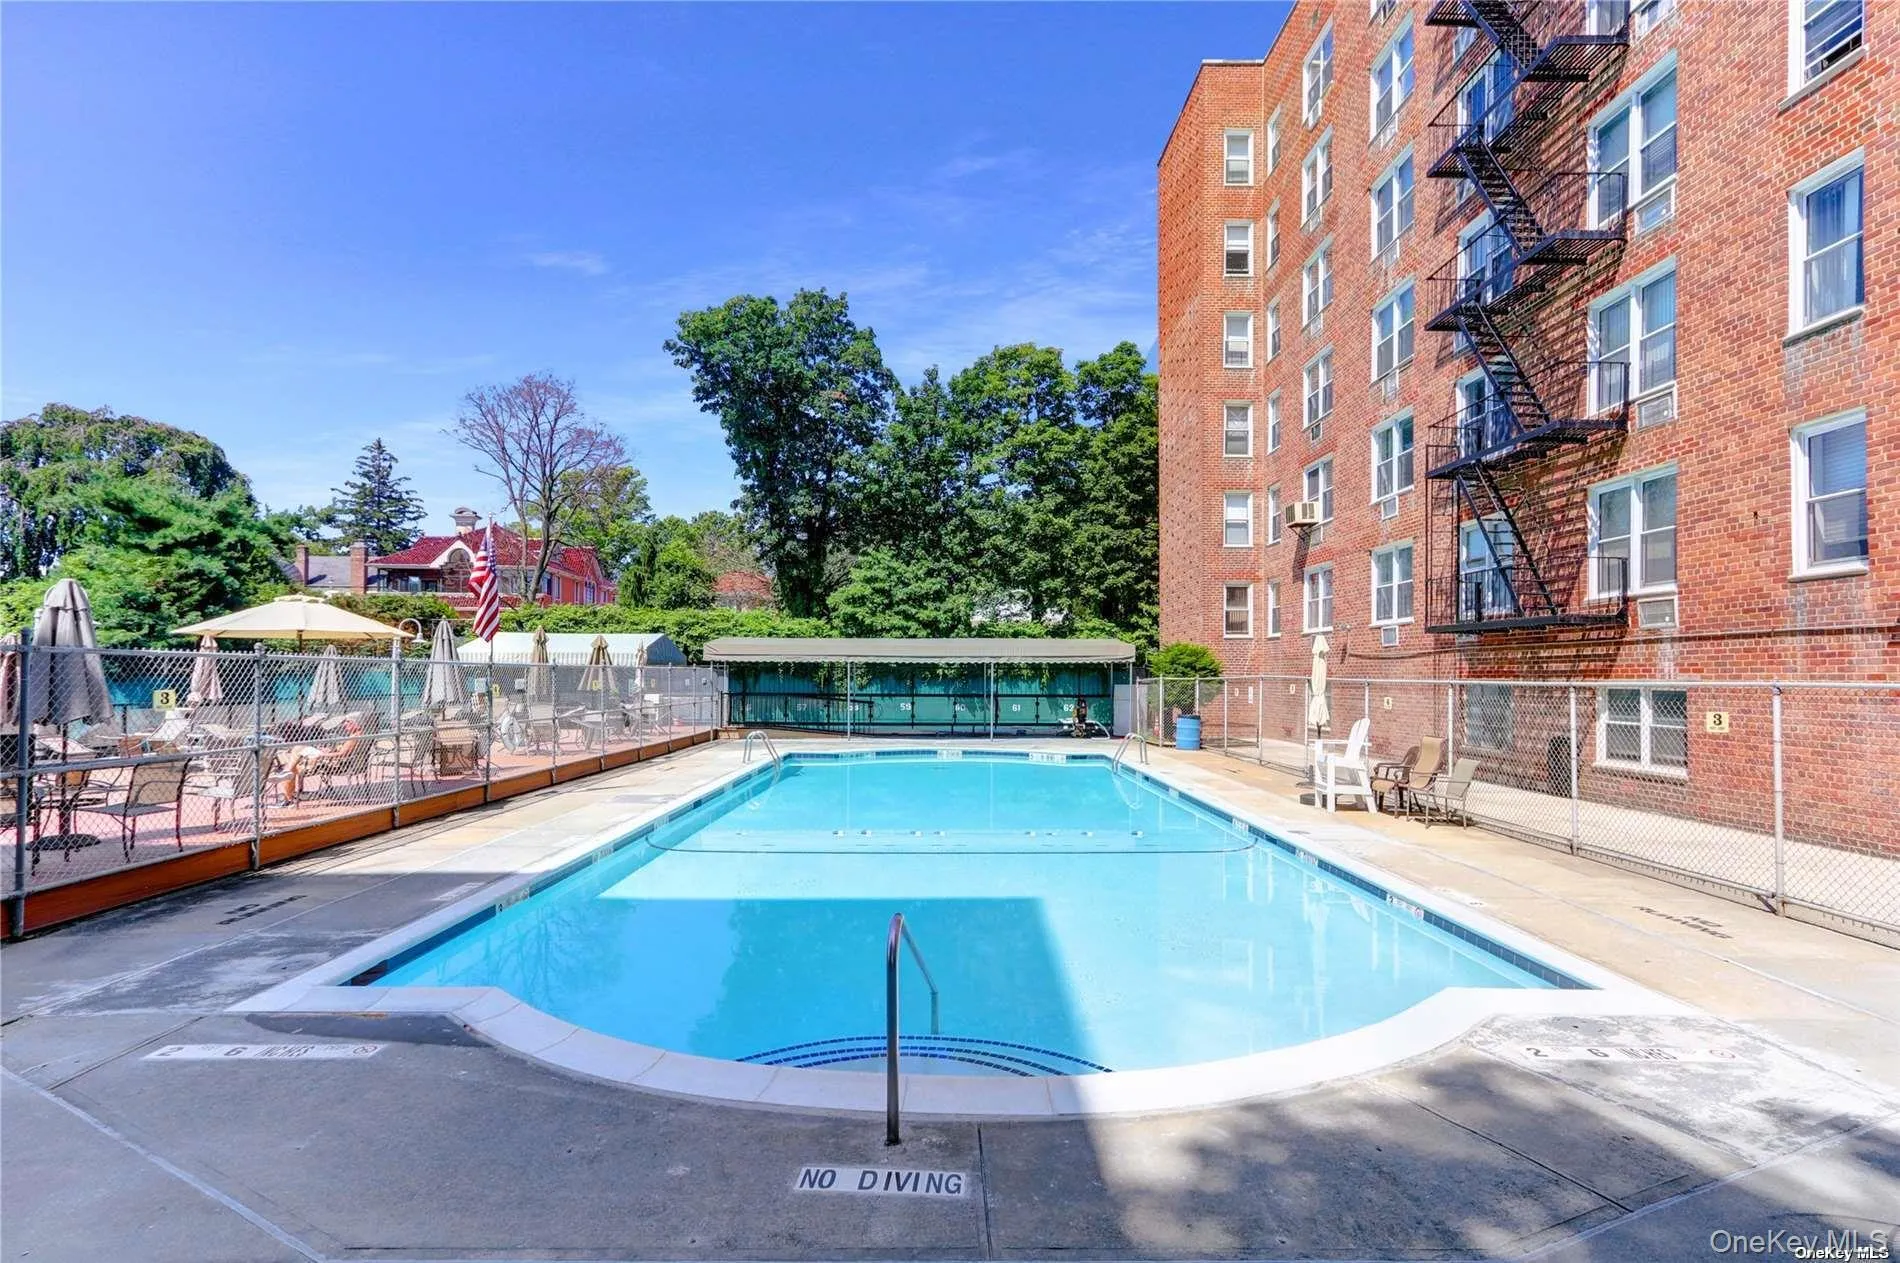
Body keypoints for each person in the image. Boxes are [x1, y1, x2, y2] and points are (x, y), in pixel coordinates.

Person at [274, 715, 364, 805]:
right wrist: (329, 750)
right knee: (296, 754)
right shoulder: (358, 735)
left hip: (334, 764)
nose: (345, 724)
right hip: (334, 761)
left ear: (357, 724)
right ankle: (289, 790)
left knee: (293, 762)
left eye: (349, 722)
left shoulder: (354, 737)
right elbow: (342, 751)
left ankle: (288, 798)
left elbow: (342, 754)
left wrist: (322, 754)